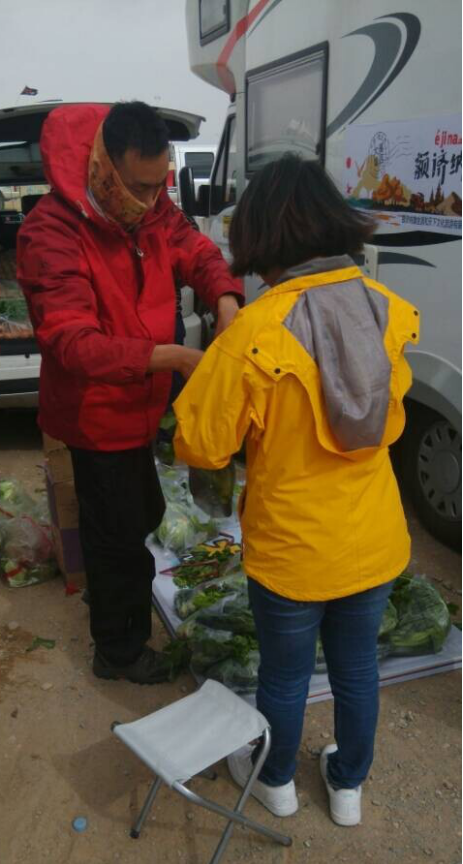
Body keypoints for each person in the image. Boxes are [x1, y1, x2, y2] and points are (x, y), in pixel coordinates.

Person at [174, 154, 419, 827]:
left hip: (290, 551)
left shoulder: (253, 332)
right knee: (357, 668)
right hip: (372, 539)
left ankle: (276, 780)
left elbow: (199, 444)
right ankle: (348, 787)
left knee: (284, 677)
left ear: (260, 236)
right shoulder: (392, 312)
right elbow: (390, 418)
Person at [17, 102, 243, 686]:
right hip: (95, 414)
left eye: (159, 185)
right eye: (139, 188)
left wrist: (224, 299)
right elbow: (73, 343)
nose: (151, 201)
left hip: (142, 407)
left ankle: (111, 601)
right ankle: (118, 653)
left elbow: (194, 249)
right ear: (104, 166)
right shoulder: (51, 230)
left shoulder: (152, 207)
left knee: (138, 515)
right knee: (120, 536)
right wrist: (174, 358)